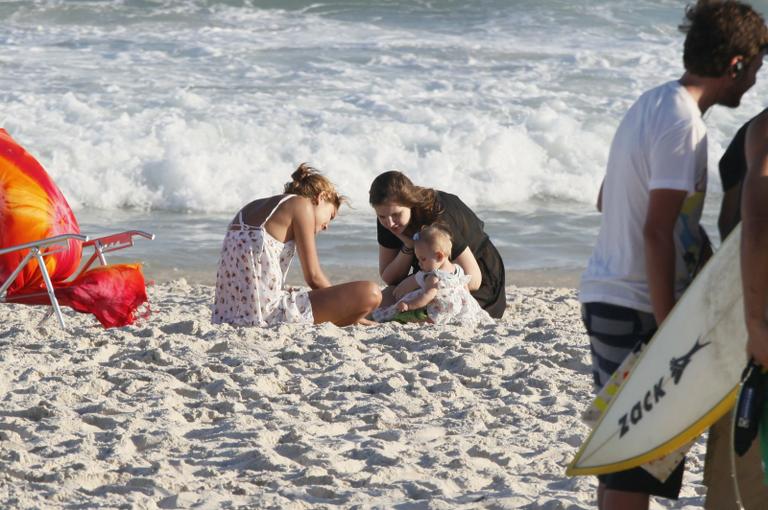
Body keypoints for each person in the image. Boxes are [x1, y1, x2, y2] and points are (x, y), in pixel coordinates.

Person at [579, 2, 768, 509]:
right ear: (735, 64)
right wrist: (669, 329)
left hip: (613, 292)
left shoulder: (651, 103)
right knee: (634, 464)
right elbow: (657, 232)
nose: (752, 84)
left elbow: (606, 197)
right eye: (754, 70)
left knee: (628, 447)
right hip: (636, 301)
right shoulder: (683, 123)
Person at [212, 163, 381, 327]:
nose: (326, 226)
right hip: (266, 315)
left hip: (227, 315)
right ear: (321, 197)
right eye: (330, 215)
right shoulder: (301, 205)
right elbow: (314, 277)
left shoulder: (251, 207)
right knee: (371, 293)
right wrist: (349, 310)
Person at [702, 109, 768, 509]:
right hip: (753, 318)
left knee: (733, 465)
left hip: (740, 309)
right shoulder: (761, 132)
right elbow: (749, 224)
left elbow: (732, 226)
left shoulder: (755, 130)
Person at [369, 170, 506, 319]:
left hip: (476, 281)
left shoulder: (437, 215)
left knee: (423, 307)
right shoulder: (388, 215)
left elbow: (473, 279)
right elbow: (390, 277)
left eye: (396, 215)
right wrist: (408, 246)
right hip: (430, 273)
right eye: (382, 216)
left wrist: (418, 279)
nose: (389, 223)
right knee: (379, 305)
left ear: (410, 203)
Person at [371, 224, 493, 327]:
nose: (419, 263)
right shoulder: (458, 270)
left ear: (439, 256)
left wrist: (409, 305)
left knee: (408, 314)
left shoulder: (433, 276)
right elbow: (466, 292)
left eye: (423, 259)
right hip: (457, 310)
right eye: (418, 259)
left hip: (436, 312)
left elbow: (427, 296)